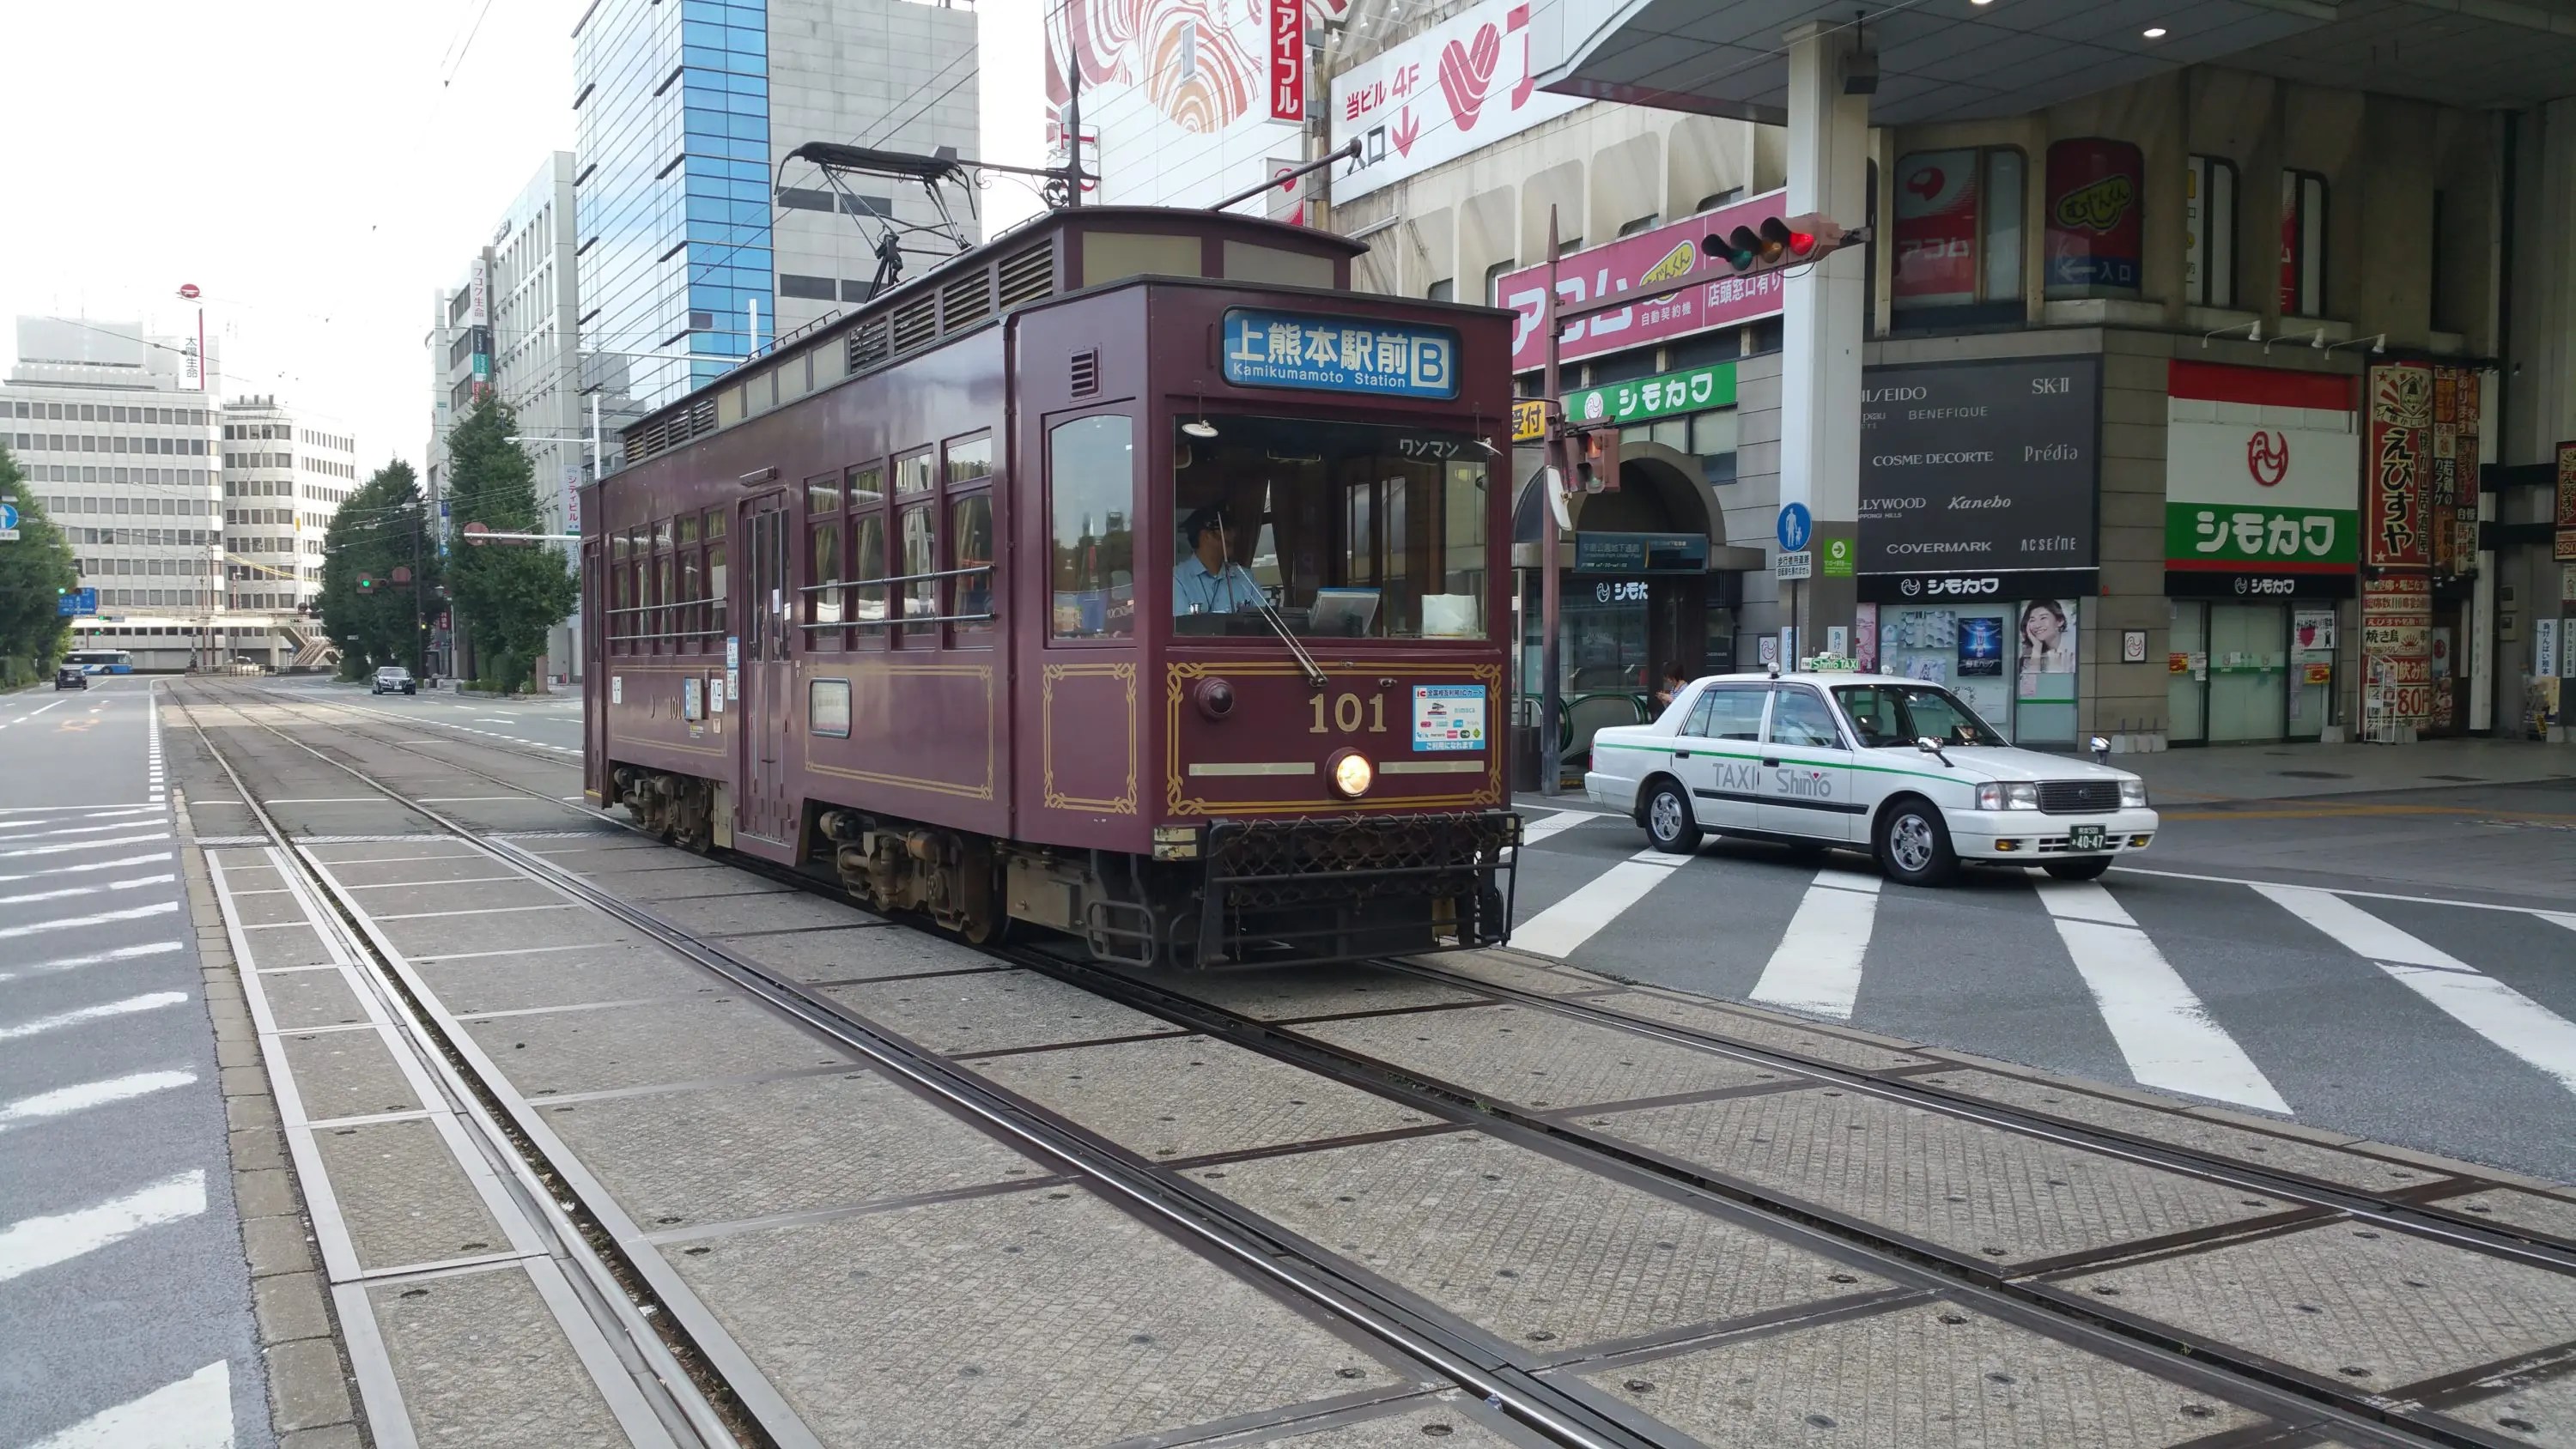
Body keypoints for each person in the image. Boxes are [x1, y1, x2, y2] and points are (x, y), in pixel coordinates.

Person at [1171, 503, 1264, 615]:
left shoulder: (1245, 578)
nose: (1233, 535)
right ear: (1206, 535)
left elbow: (1263, 620)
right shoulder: (1178, 579)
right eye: (1226, 529)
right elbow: (1181, 624)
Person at [2017, 598, 2075, 697]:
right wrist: (2036, 648)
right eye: (2032, 620)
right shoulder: (2030, 653)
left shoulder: (2073, 649)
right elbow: (2028, 692)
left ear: (2060, 621)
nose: (2037, 625)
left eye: (2043, 618)